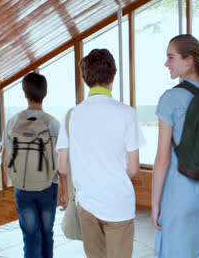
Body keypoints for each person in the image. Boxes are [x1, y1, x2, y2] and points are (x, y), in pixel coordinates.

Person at [56, 48, 145, 258]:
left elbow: (62, 166)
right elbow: (133, 168)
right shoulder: (126, 113)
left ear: (85, 78)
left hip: (86, 203)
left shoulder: (72, 115)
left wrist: (69, 192)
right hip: (118, 202)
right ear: (113, 76)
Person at [152, 34, 199, 258]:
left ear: (189, 60)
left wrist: (155, 204)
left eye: (171, 57)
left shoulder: (171, 98)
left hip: (180, 193)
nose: (166, 63)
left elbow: (163, 158)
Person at [1, 72, 62, 258]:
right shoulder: (53, 123)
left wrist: (12, 180)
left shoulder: (13, 121)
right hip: (49, 187)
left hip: (23, 187)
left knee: (29, 236)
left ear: (25, 93)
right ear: (45, 93)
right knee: (47, 234)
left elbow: (4, 156)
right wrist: (66, 190)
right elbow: (62, 162)